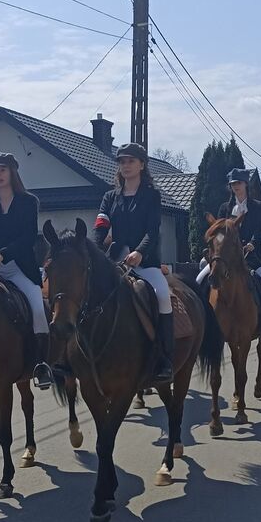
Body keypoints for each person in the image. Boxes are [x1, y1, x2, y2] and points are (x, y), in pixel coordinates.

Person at [0, 152, 53, 390]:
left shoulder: (28, 202)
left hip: (21, 267)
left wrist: (3, 253)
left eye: (2, 170)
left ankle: (41, 364)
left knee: (38, 309)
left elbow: (28, 237)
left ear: (12, 172)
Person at [93, 142, 174, 382]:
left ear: (142, 165)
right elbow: (100, 228)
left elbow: (152, 230)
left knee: (162, 295)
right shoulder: (109, 197)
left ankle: (165, 358)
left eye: (131, 161)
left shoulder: (152, 196)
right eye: (122, 161)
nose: (126, 165)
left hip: (145, 261)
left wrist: (139, 252)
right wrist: (95, 252)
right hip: (116, 258)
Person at [195, 168, 261, 334]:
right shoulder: (225, 208)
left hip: (249, 254)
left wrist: (252, 243)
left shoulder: (257, 206)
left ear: (245, 184)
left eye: (238, 183)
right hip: (225, 256)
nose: (236, 186)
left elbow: (259, 229)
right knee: (199, 279)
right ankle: (203, 319)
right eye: (233, 184)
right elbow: (218, 231)